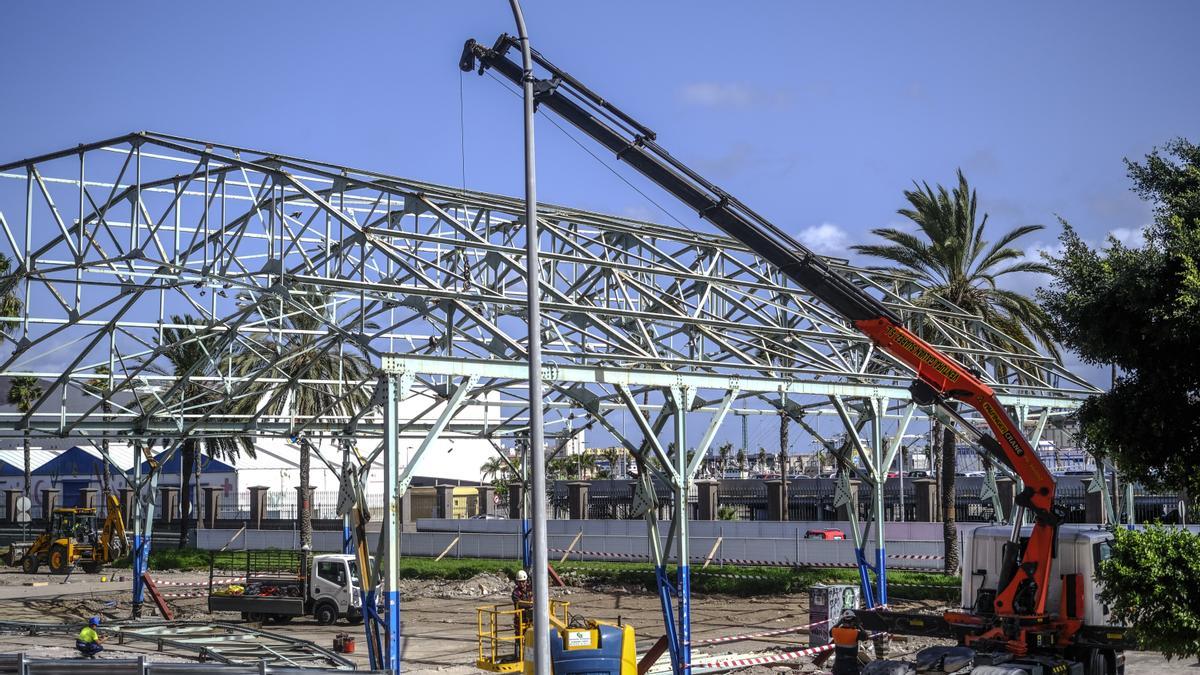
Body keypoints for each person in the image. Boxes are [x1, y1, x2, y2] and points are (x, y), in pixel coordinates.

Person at [510, 570, 533, 660]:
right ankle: (518, 657)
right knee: (519, 639)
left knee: (531, 639)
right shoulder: (515, 593)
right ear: (517, 582)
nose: (522, 584)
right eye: (520, 582)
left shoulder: (531, 589)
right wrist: (531, 604)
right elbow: (520, 603)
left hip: (531, 619)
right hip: (520, 619)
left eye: (523, 581)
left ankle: (530, 657)